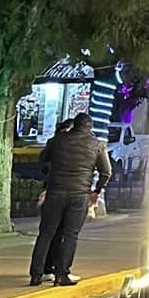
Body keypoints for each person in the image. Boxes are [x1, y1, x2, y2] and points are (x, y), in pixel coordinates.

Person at [30, 112, 109, 287]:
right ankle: (62, 274)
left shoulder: (57, 140)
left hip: (55, 191)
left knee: (46, 233)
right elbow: (106, 172)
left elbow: (43, 160)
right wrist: (96, 190)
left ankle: (36, 274)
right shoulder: (97, 145)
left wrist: (50, 176)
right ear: (89, 127)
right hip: (79, 194)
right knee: (70, 234)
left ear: (75, 125)